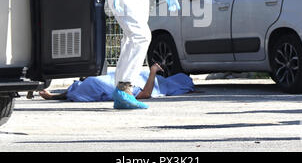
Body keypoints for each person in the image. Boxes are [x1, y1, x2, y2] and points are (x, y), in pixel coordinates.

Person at [38, 63, 195, 104]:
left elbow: (145, 94)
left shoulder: (155, 87)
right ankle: (54, 96)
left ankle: (54, 96)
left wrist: (153, 72)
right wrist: (152, 73)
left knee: (84, 87)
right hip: (104, 82)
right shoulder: (80, 89)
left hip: (105, 83)